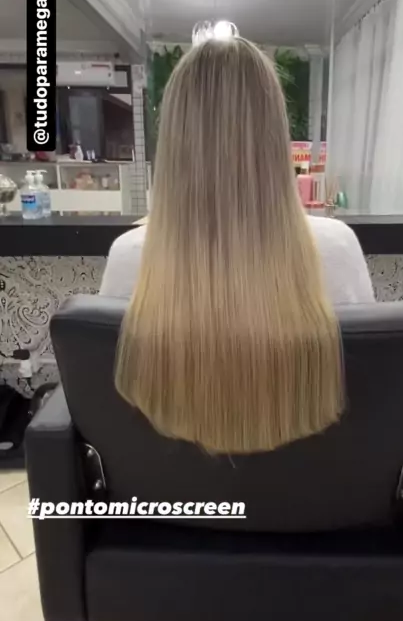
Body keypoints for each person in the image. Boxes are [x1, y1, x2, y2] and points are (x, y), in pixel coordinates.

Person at [100, 38, 374, 454]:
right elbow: (364, 381)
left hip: (174, 491)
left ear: (173, 139)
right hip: (311, 487)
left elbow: (115, 403)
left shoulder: (129, 256)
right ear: (275, 135)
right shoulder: (338, 247)